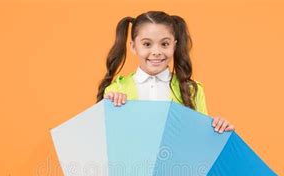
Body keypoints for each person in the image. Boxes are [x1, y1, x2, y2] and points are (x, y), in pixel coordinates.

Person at [96, 11, 235, 134]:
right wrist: (111, 108)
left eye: (164, 44)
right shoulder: (115, 91)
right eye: (147, 44)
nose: (156, 52)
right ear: (133, 46)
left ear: (174, 45)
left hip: (180, 163)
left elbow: (200, 140)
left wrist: (218, 130)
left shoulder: (192, 90)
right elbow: (108, 140)